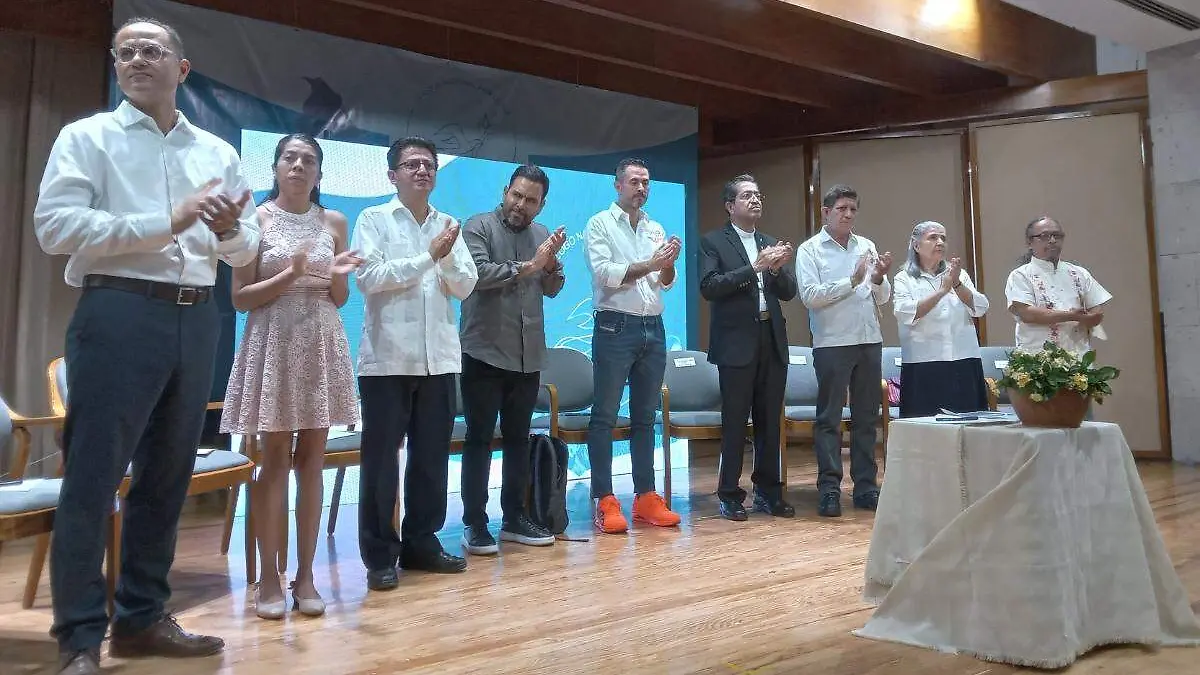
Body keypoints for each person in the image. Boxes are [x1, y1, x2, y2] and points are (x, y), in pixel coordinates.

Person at [33, 17, 260, 675]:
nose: (136, 59)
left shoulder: (216, 152)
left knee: (166, 476)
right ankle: (80, 636)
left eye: (151, 50)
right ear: (115, 65)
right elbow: (55, 228)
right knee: (93, 476)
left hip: (198, 317)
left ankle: (141, 619)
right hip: (118, 309)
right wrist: (167, 221)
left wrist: (230, 230)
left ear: (181, 69)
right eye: (125, 51)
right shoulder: (87, 138)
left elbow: (244, 249)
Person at [220, 133, 362, 619]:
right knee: (275, 458)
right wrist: (291, 274)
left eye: (309, 160)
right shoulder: (255, 220)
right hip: (273, 338)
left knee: (313, 461)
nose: (299, 166)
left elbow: (339, 298)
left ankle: (305, 577)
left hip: (321, 338)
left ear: (319, 171)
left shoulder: (334, 221)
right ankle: (268, 578)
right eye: (290, 158)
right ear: (276, 167)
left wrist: (336, 272)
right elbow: (240, 298)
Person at [352, 136, 478, 589]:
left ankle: (422, 542)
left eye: (429, 164)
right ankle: (379, 555)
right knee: (382, 462)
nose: (422, 170)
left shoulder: (448, 224)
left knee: (431, 458)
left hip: (439, 358)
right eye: (412, 165)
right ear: (393, 175)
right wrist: (429, 256)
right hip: (387, 358)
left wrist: (444, 258)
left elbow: (466, 284)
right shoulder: (373, 219)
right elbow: (369, 278)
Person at [458, 165, 566, 555]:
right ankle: (474, 522)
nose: (521, 205)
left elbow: (553, 288)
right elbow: (477, 274)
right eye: (516, 195)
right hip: (484, 351)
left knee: (519, 439)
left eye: (530, 200)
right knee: (480, 438)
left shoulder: (542, 235)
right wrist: (531, 266)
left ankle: (515, 517)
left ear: (541, 205)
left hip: (527, 354)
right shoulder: (477, 227)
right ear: (506, 191)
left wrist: (550, 266)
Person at [583, 158, 682, 534]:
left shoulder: (654, 227)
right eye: (635, 182)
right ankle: (604, 498)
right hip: (614, 325)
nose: (641, 188)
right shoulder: (600, 224)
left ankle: (645, 497)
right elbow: (606, 275)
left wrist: (667, 263)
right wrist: (651, 263)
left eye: (646, 183)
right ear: (618, 185)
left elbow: (665, 281)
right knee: (605, 415)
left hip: (653, 326)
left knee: (645, 415)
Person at [699, 174, 797, 521]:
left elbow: (789, 292)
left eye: (758, 195)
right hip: (736, 342)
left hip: (771, 337)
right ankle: (729, 494)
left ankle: (768, 492)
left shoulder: (768, 242)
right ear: (730, 206)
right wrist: (753, 267)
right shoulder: (713, 242)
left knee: (770, 421)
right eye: (746, 196)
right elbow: (710, 286)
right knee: (736, 421)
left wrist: (776, 270)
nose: (755, 200)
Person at [795, 184, 892, 518]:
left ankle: (866, 487)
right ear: (826, 212)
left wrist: (878, 278)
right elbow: (810, 296)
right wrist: (852, 280)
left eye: (853, 209)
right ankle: (829, 489)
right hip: (832, 343)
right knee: (830, 419)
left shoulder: (866, 245)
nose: (848, 215)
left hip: (869, 339)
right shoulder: (810, 250)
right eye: (841, 209)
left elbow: (883, 298)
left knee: (866, 417)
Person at [892, 221, 990, 417]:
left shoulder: (958, 274)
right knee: (926, 424)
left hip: (963, 359)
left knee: (968, 422)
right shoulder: (904, 278)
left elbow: (980, 307)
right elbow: (906, 313)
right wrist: (942, 291)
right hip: (924, 362)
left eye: (943, 238)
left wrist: (957, 283)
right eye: (933, 237)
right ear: (916, 245)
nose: (940, 242)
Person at [1005, 216, 1111, 357]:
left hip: (1078, 358)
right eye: (1045, 236)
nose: (1053, 240)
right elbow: (1027, 313)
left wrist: (1092, 317)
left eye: (1057, 235)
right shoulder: (1020, 275)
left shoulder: (1079, 273)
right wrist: (1072, 316)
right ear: (1029, 242)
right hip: (1037, 359)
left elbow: (1097, 310)